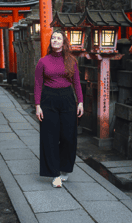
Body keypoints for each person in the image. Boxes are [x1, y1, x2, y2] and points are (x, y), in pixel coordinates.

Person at [34, 30, 84, 188]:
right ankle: (54, 174)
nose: (55, 40)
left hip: (68, 99)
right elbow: (37, 84)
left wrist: (80, 102)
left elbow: (76, 82)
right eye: (53, 38)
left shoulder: (71, 61)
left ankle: (64, 169)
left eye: (58, 38)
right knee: (50, 137)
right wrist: (37, 105)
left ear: (64, 42)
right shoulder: (43, 61)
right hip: (48, 99)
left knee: (68, 137)